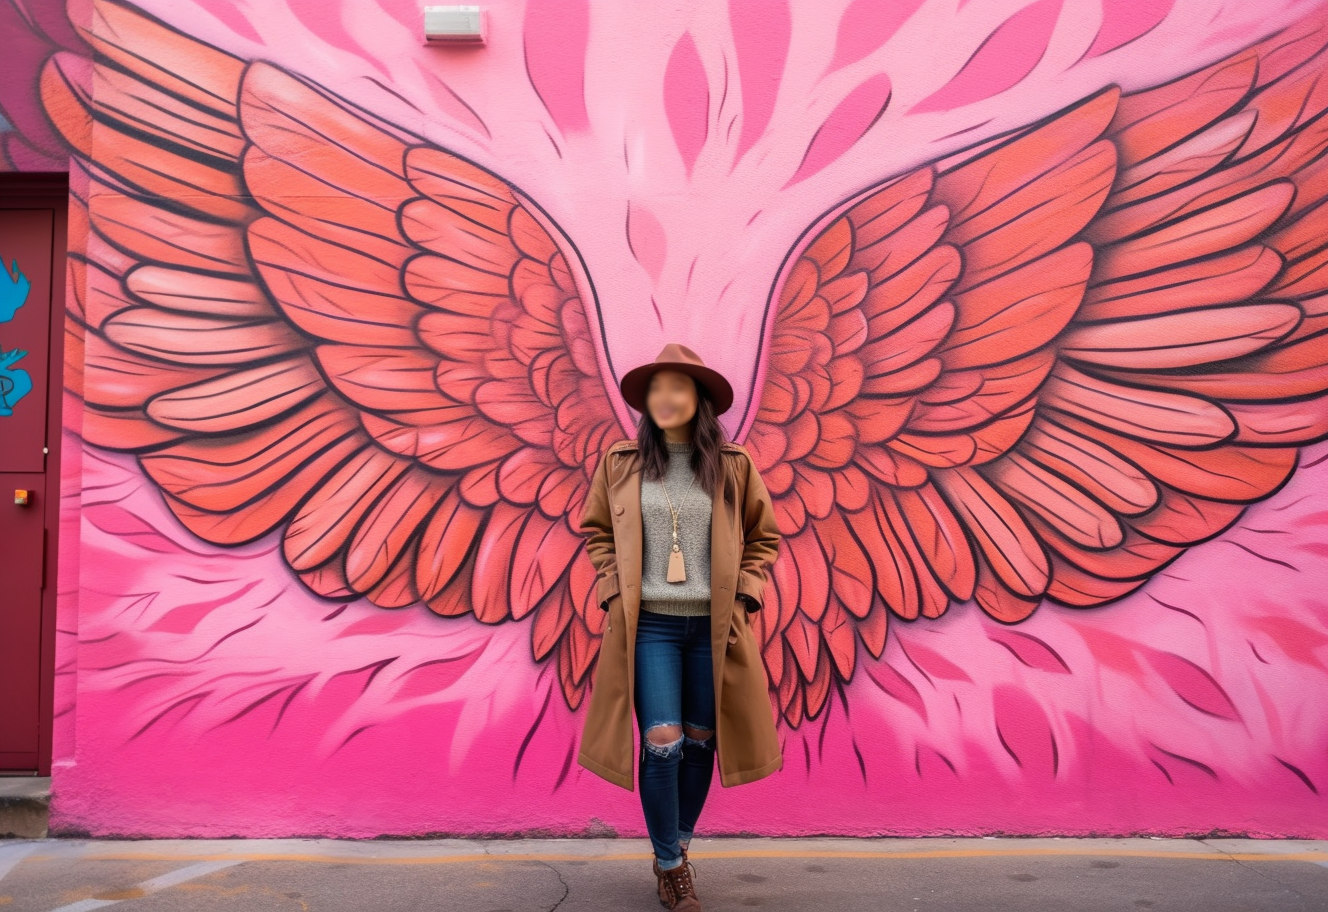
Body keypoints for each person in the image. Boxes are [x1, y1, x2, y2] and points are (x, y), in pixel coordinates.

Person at [576, 343, 784, 911]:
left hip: (712, 630)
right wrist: (614, 588)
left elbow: (764, 538)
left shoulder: (733, 465)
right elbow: (597, 532)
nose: (665, 398)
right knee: (660, 741)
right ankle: (671, 867)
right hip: (651, 629)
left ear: (699, 400)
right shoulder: (621, 463)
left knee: (699, 741)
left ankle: (678, 846)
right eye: (657, 389)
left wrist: (744, 595)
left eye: (678, 388)